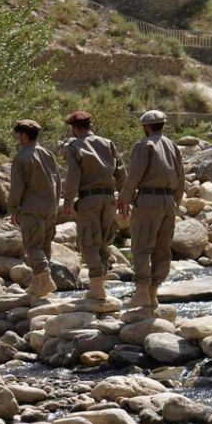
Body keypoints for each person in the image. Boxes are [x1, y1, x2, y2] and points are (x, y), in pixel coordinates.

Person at [117, 110, 185, 309]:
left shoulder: (144, 145)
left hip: (148, 201)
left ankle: (141, 294)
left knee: (141, 247)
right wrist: (176, 203)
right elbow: (180, 179)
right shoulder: (173, 146)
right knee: (162, 249)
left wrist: (124, 199)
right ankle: (153, 293)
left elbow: (134, 176)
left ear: (146, 127)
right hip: (168, 202)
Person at [60, 111, 125, 301]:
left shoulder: (74, 147)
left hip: (89, 200)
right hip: (108, 199)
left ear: (74, 128)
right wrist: (124, 197)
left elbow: (73, 177)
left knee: (88, 243)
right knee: (103, 242)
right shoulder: (108, 143)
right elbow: (121, 173)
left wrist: (68, 202)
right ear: (90, 125)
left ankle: (97, 289)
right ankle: (101, 284)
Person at [9, 119, 60, 299]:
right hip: (50, 207)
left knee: (32, 246)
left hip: (32, 209)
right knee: (44, 245)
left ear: (24, 136)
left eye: (19, 135)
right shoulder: (48, 154)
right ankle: (38, 285)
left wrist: (13, 209)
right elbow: (57, 182)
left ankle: (45, 278)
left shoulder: (21, 158)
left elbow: (17, 187)